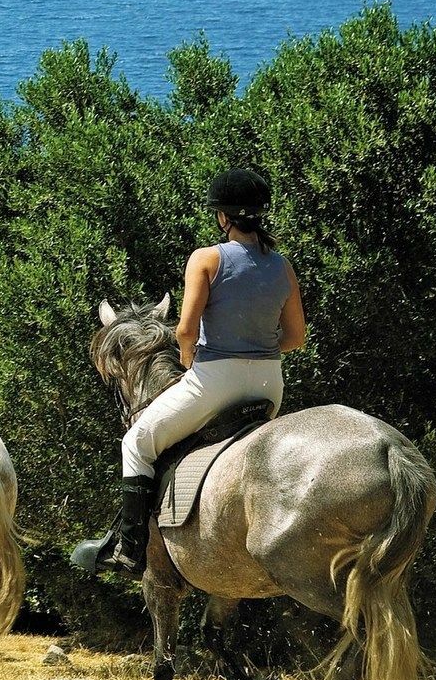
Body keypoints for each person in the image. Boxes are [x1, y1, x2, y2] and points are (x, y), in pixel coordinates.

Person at [75, 167, 308, 577]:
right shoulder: (283, 266)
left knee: (136, 442)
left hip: (216, 380)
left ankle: (129, 552)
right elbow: (296, 337)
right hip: (270, 385)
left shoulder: (207, 259)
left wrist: (188, 357)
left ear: (222, 216)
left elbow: (184, 329)